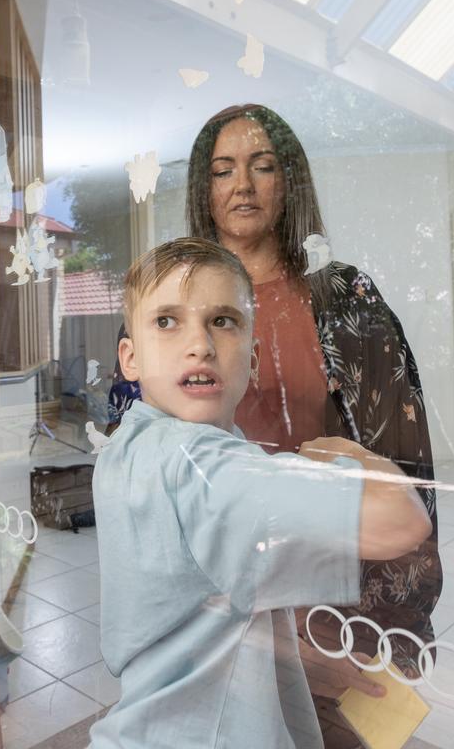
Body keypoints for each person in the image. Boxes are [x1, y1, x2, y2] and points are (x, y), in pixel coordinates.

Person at [91, 238, 431, 749]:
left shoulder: (132, 446)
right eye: (167, 321)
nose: (199, 344)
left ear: (251, 361)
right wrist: (349, 453)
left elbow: (208, 595)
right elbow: (400, 522)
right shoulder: (200, 463)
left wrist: (295, 652)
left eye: (222, 321)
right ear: (130, 358)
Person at [186, 104, 441, 745]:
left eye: (261, 166)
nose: (242, 185)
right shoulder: (178, 305)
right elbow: (150, 456)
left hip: (331, 584)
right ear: (204, 190)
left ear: (288, 181)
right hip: (222, 589)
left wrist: (377, 623)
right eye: (222, 171)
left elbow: (403, 465)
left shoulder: (342, 297)